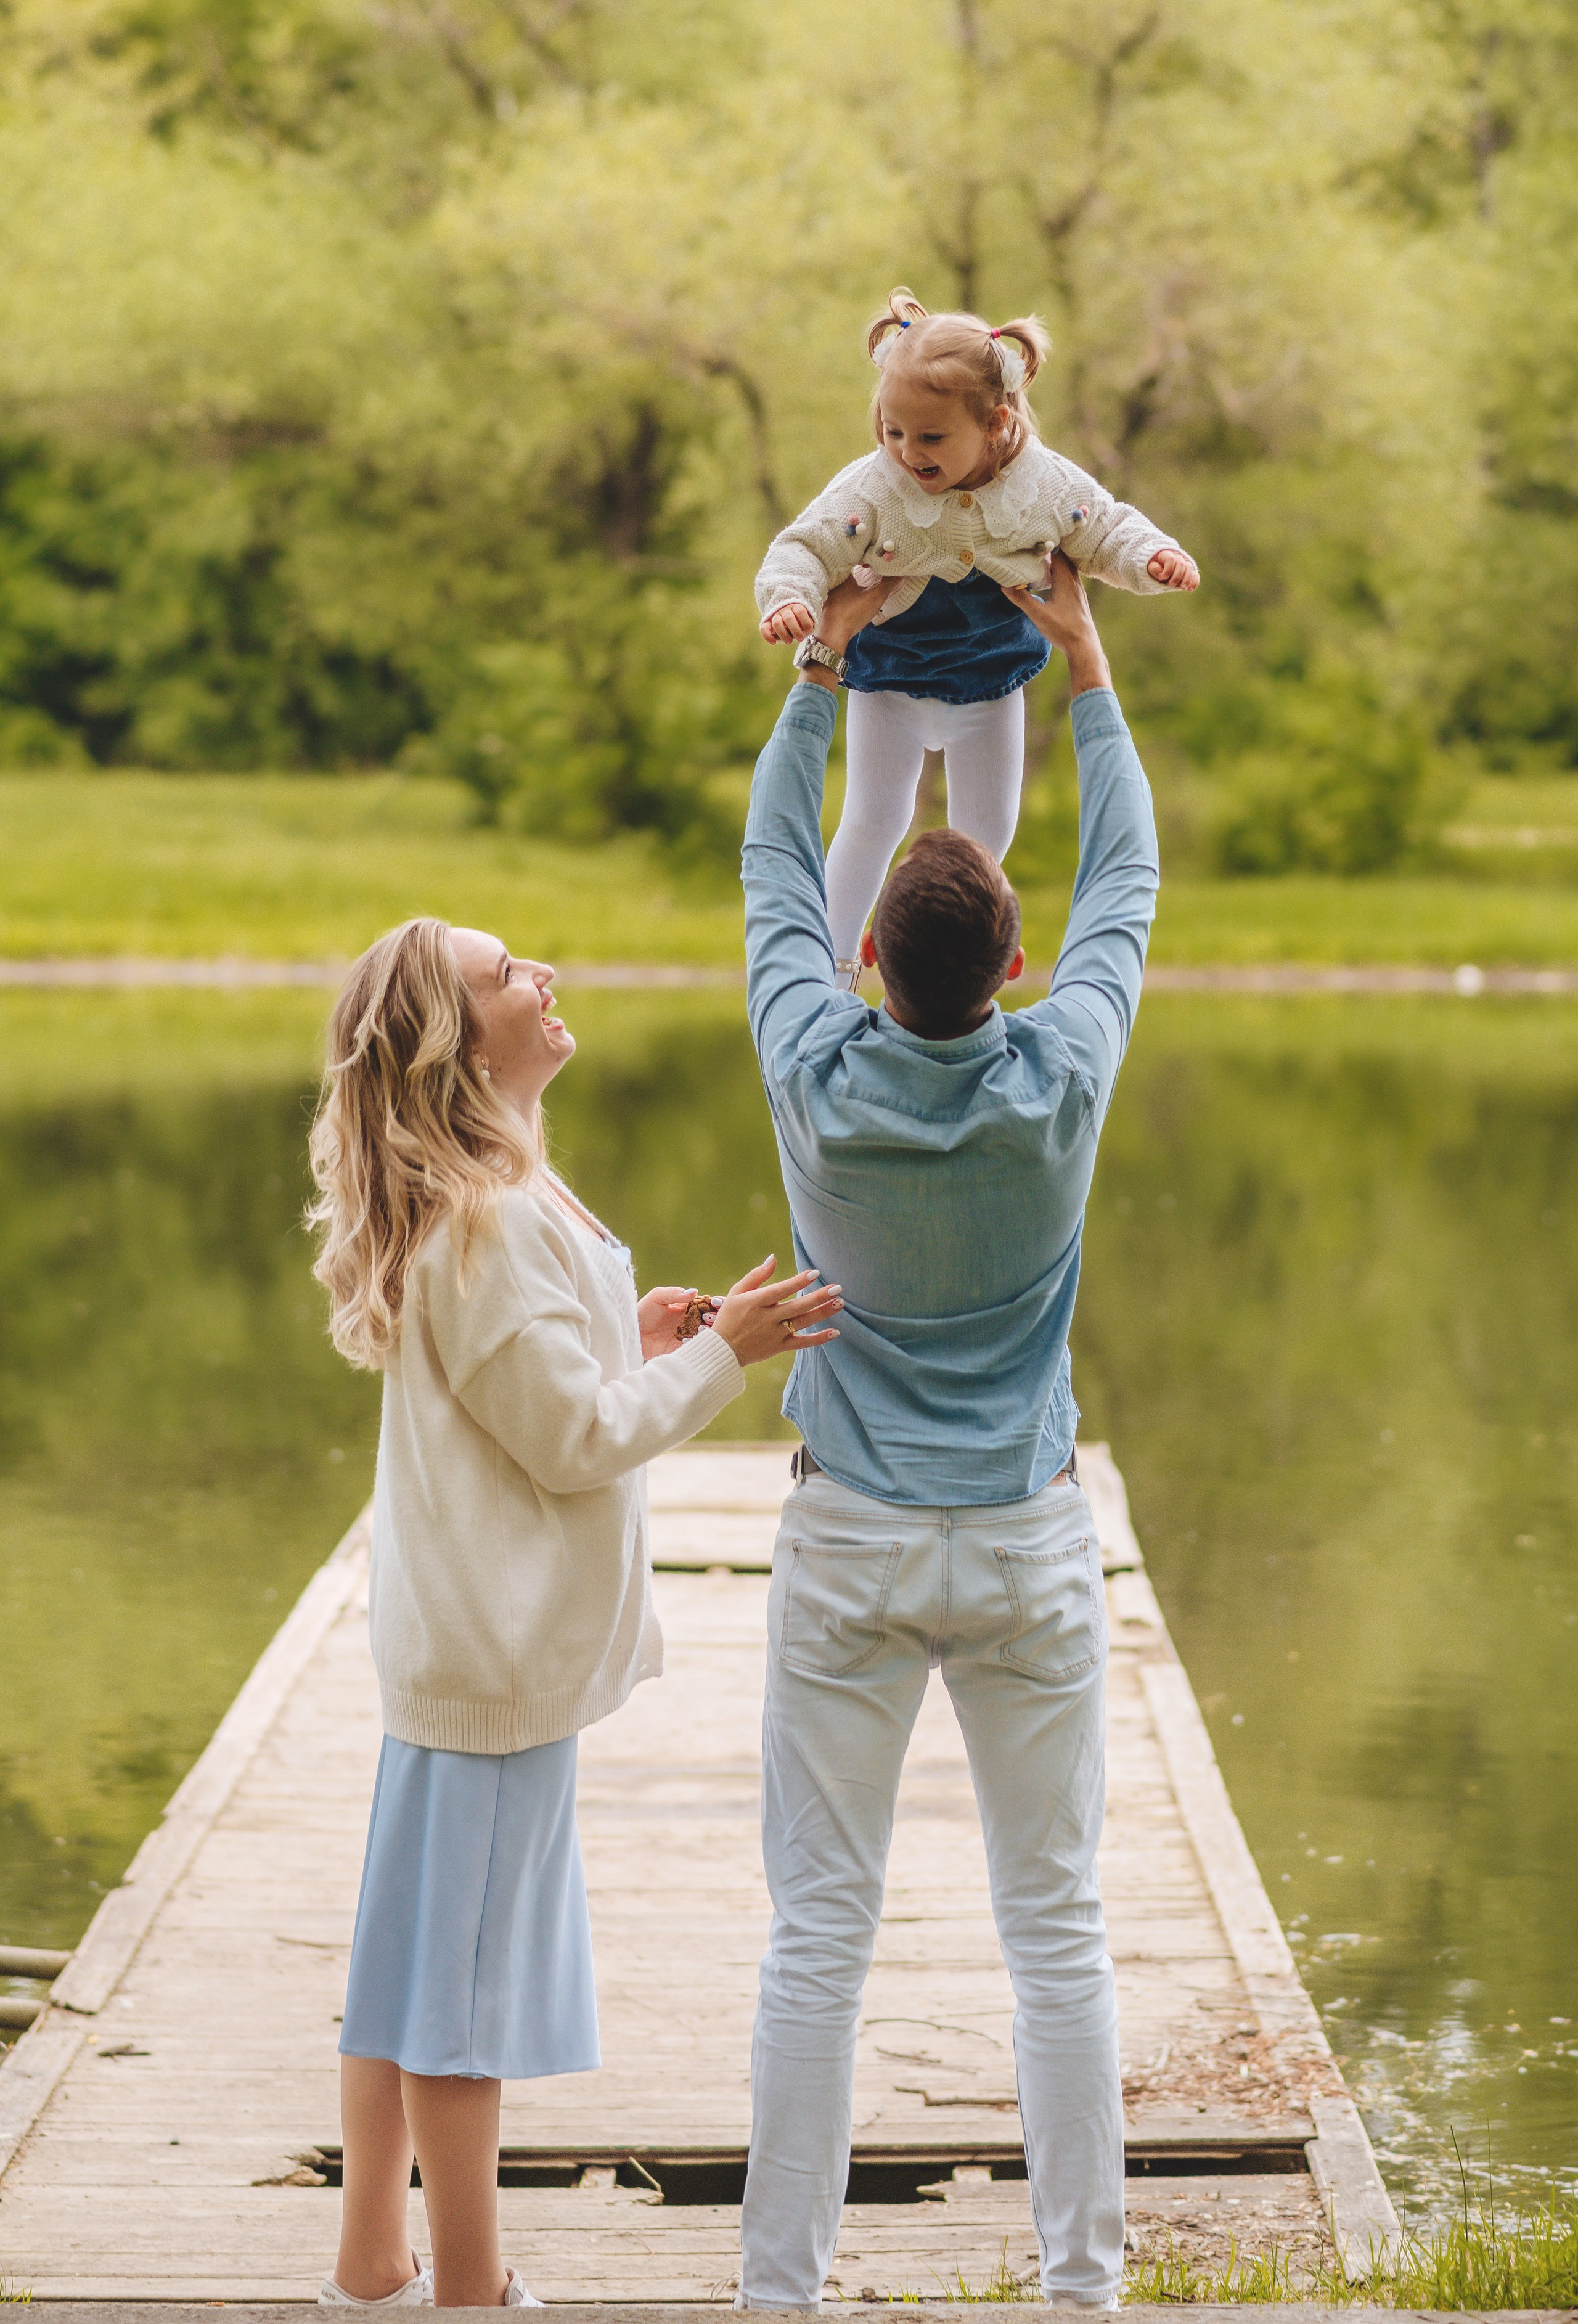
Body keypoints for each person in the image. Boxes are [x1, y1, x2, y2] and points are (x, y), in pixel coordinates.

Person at [304, 916, 842, 2310]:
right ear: (452, 1044)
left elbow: (550, 1375)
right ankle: (467, 2288)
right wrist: (724, 1352)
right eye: (503, 975)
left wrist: (647, 1330)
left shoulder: (504, 1185)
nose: (540, 976)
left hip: (466, 1654)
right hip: (488, 1668)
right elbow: (575, 1438)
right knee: (460, 1997)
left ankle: (371, 2254)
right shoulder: (481, 1219)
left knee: (407, 1955)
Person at [736, 553, 1159, 2309]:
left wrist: (824, 671)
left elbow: (771, 859)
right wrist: (1085, 670)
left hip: (848, 1538)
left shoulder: (813, 1069)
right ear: (1015, 960)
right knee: (1055, 1931)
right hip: (1025, 1538)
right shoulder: (1062, 1078)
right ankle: (1081, 2288)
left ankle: (780, 2291)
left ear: (863, 963)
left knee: (817, 1942)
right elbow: (1128, 869)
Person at [754, 285, 1195, 978]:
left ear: (994, 423)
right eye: (892, 431)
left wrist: (1151, 558)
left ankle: (932, 947)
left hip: (990, 688)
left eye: (930, 437)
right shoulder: (873, 491)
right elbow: (804, 548)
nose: (906, 452)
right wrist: (789, 600)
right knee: (872, 819)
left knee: (985, 837)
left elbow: (1104, 525)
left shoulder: (1041, 484)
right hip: (889, 683)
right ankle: (834, 963)